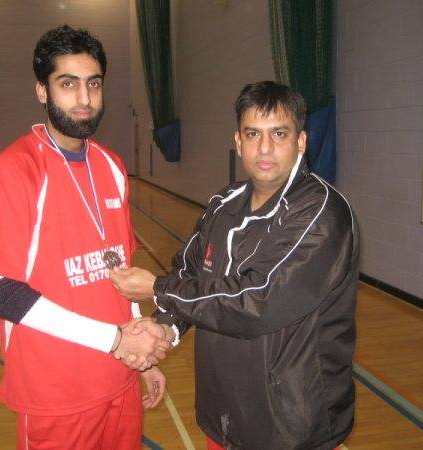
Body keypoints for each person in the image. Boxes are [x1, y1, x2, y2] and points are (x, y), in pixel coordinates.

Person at [110, 81, 359, 450]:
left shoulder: (322, 212)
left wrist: (157, 289)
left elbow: (258, 300)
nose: (265, 147)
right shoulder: (224, 202)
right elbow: (189, 273)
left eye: (279, 133)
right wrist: (166, 328)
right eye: (253, 134)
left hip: (290, 424)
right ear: (238, 142)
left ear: (301, 141)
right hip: (223, 410)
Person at [0, 25, 172, 450]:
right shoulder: (15, 170)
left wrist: (137, 362)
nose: (84, 99)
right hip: (56, 397)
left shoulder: (113, 167)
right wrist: (117, 340)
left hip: (119, 381)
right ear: (42, 91)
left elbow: (118, 271)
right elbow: (5, 294)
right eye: (68, 84)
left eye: (93, 84)